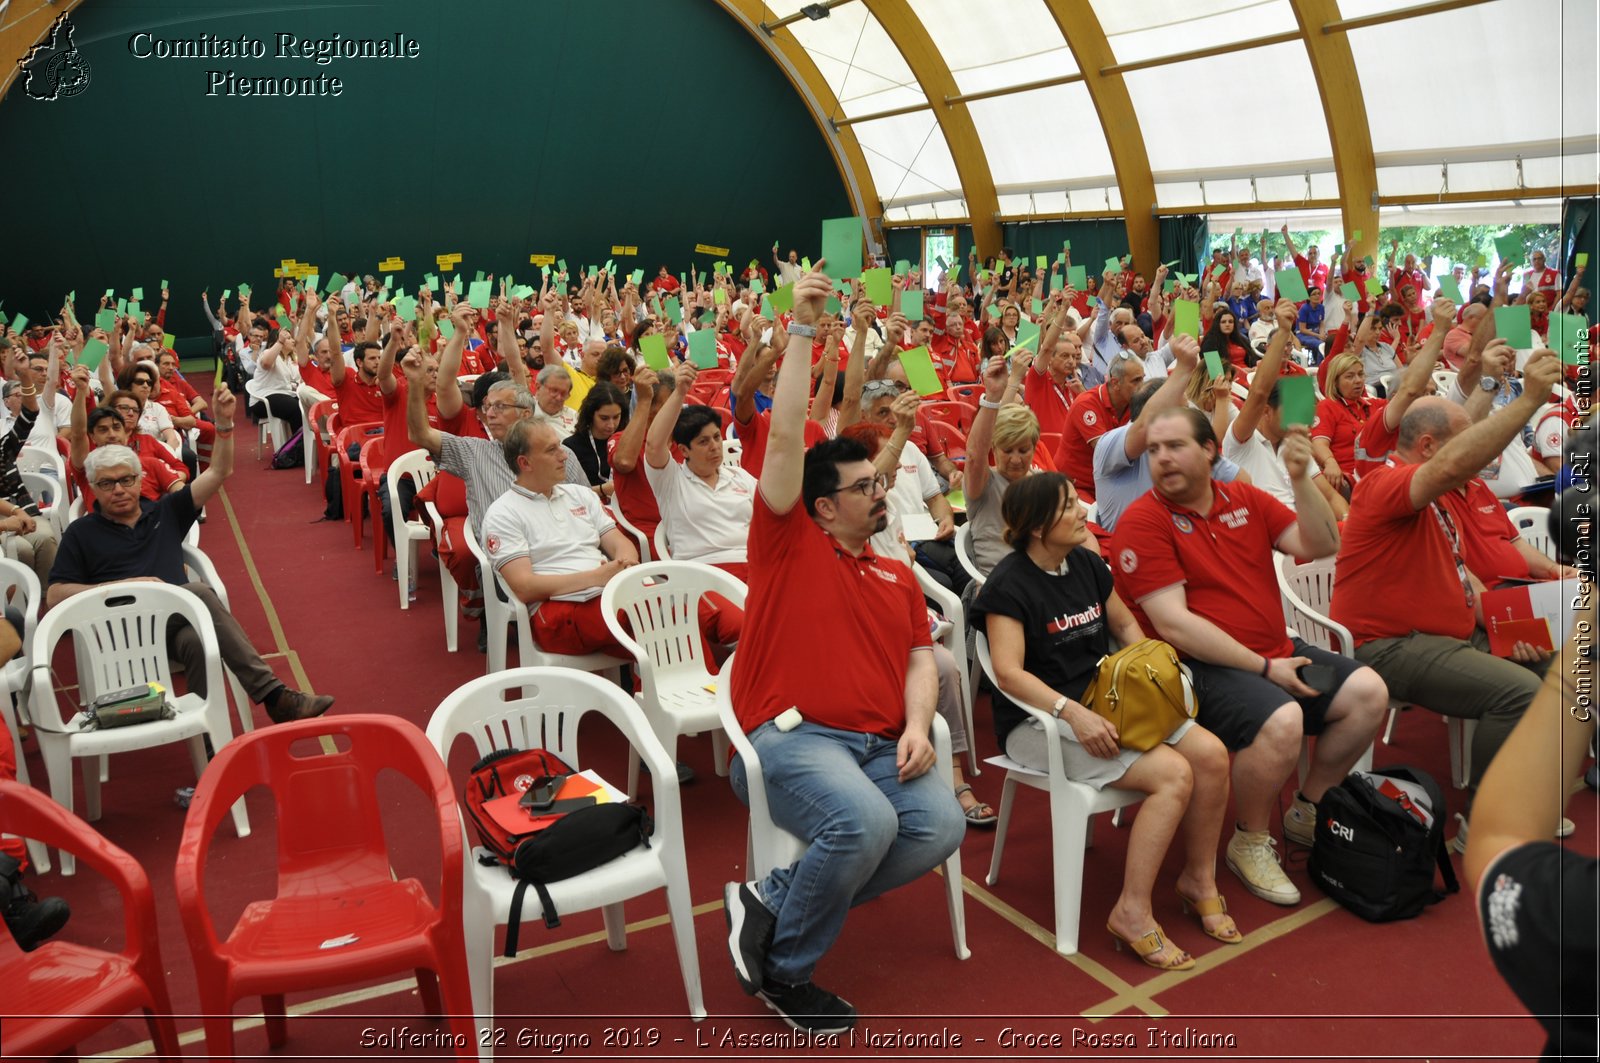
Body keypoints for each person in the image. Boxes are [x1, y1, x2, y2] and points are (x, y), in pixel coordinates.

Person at [721, 268, 964, 1034]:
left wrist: (920, 725)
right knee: (864, 825)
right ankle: (786, 969)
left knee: (940, 826)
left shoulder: (895, 572)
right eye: (865, 486)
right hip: (790, 738)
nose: (880, 489)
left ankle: (774, 897)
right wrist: (802, 329)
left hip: (879, 741)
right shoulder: (790, 542)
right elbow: (789, 432)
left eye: (878, 481)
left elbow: (921, 658)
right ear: (823, 506)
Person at [1109, 408, 1387, 905]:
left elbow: (1323, 542)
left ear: (1210, 451)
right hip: (1196, 672)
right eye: (1153, 450)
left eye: (1175, 446)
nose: (1162, 458)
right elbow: (1175, 626)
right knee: (1281, 721)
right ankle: (1250, 839)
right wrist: (1264, 668)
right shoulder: (1143, 521)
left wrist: (1302, 479)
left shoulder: (1244, 497)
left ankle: (1310, 806)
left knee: (1367, 692)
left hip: (1275, 655)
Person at [974, 473, 1236, 970]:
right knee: (1173, 775)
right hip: (1040, 724)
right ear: (1036, 526)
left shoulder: (1088, 565)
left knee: (1211, 755)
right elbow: (1007, 673)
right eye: (1070, 505)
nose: (1082, 512)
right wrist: (1071, 713)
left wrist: (1150, 673)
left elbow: (1122, 625)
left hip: (1107, 701)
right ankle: (1132, 913)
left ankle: (1198, 879)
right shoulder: (1009, 584)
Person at [1329, 348, 1568, 817]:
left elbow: (1465, 578)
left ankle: (1526, 788)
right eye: (1463, 445)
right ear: (1429, 449)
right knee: (1519, 693)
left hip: (1451, 633)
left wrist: (1508, 631)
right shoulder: (1385, 484)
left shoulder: (1438, 493)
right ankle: (1486, 818)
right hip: (1393, 645)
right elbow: (1451, 462)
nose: (1478, 454)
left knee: (1557, 666)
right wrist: (1528, 400)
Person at [47, 387, 332, 724]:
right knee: (197, 593)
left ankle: (209, 734)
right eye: (107, 484)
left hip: (173, 621)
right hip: (119, 629)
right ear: (93, 487)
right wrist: (122, 586)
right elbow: (54, 595)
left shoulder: (165, 512)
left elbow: (218, 473)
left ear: (140, 481)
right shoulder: (82, 532)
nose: (119, 490)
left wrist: (224, 425)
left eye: (126, 480)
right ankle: (273, 696)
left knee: (196, 639)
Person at [1463, 498, 1597, 1062]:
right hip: (1456, 632)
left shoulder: (1581, 919)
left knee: (1526, 685)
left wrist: (1582, 631)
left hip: (1540, 627)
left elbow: (1500, 844)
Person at [1053, 351, 1144, 501]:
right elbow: (1108, 452)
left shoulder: (1133, 401)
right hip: (1076, 486)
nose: (1142, 386)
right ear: (1115, 383)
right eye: (1136, 381)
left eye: (1142, 379)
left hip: (1111, 481)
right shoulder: (1086, 404)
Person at [562, 381, 627, 499]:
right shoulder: (571, 446)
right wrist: (601, 490)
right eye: (604, 418)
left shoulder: (627, 440)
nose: (611, 425)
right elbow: (567, 492)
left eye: (616, 417)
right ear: (591, 414)